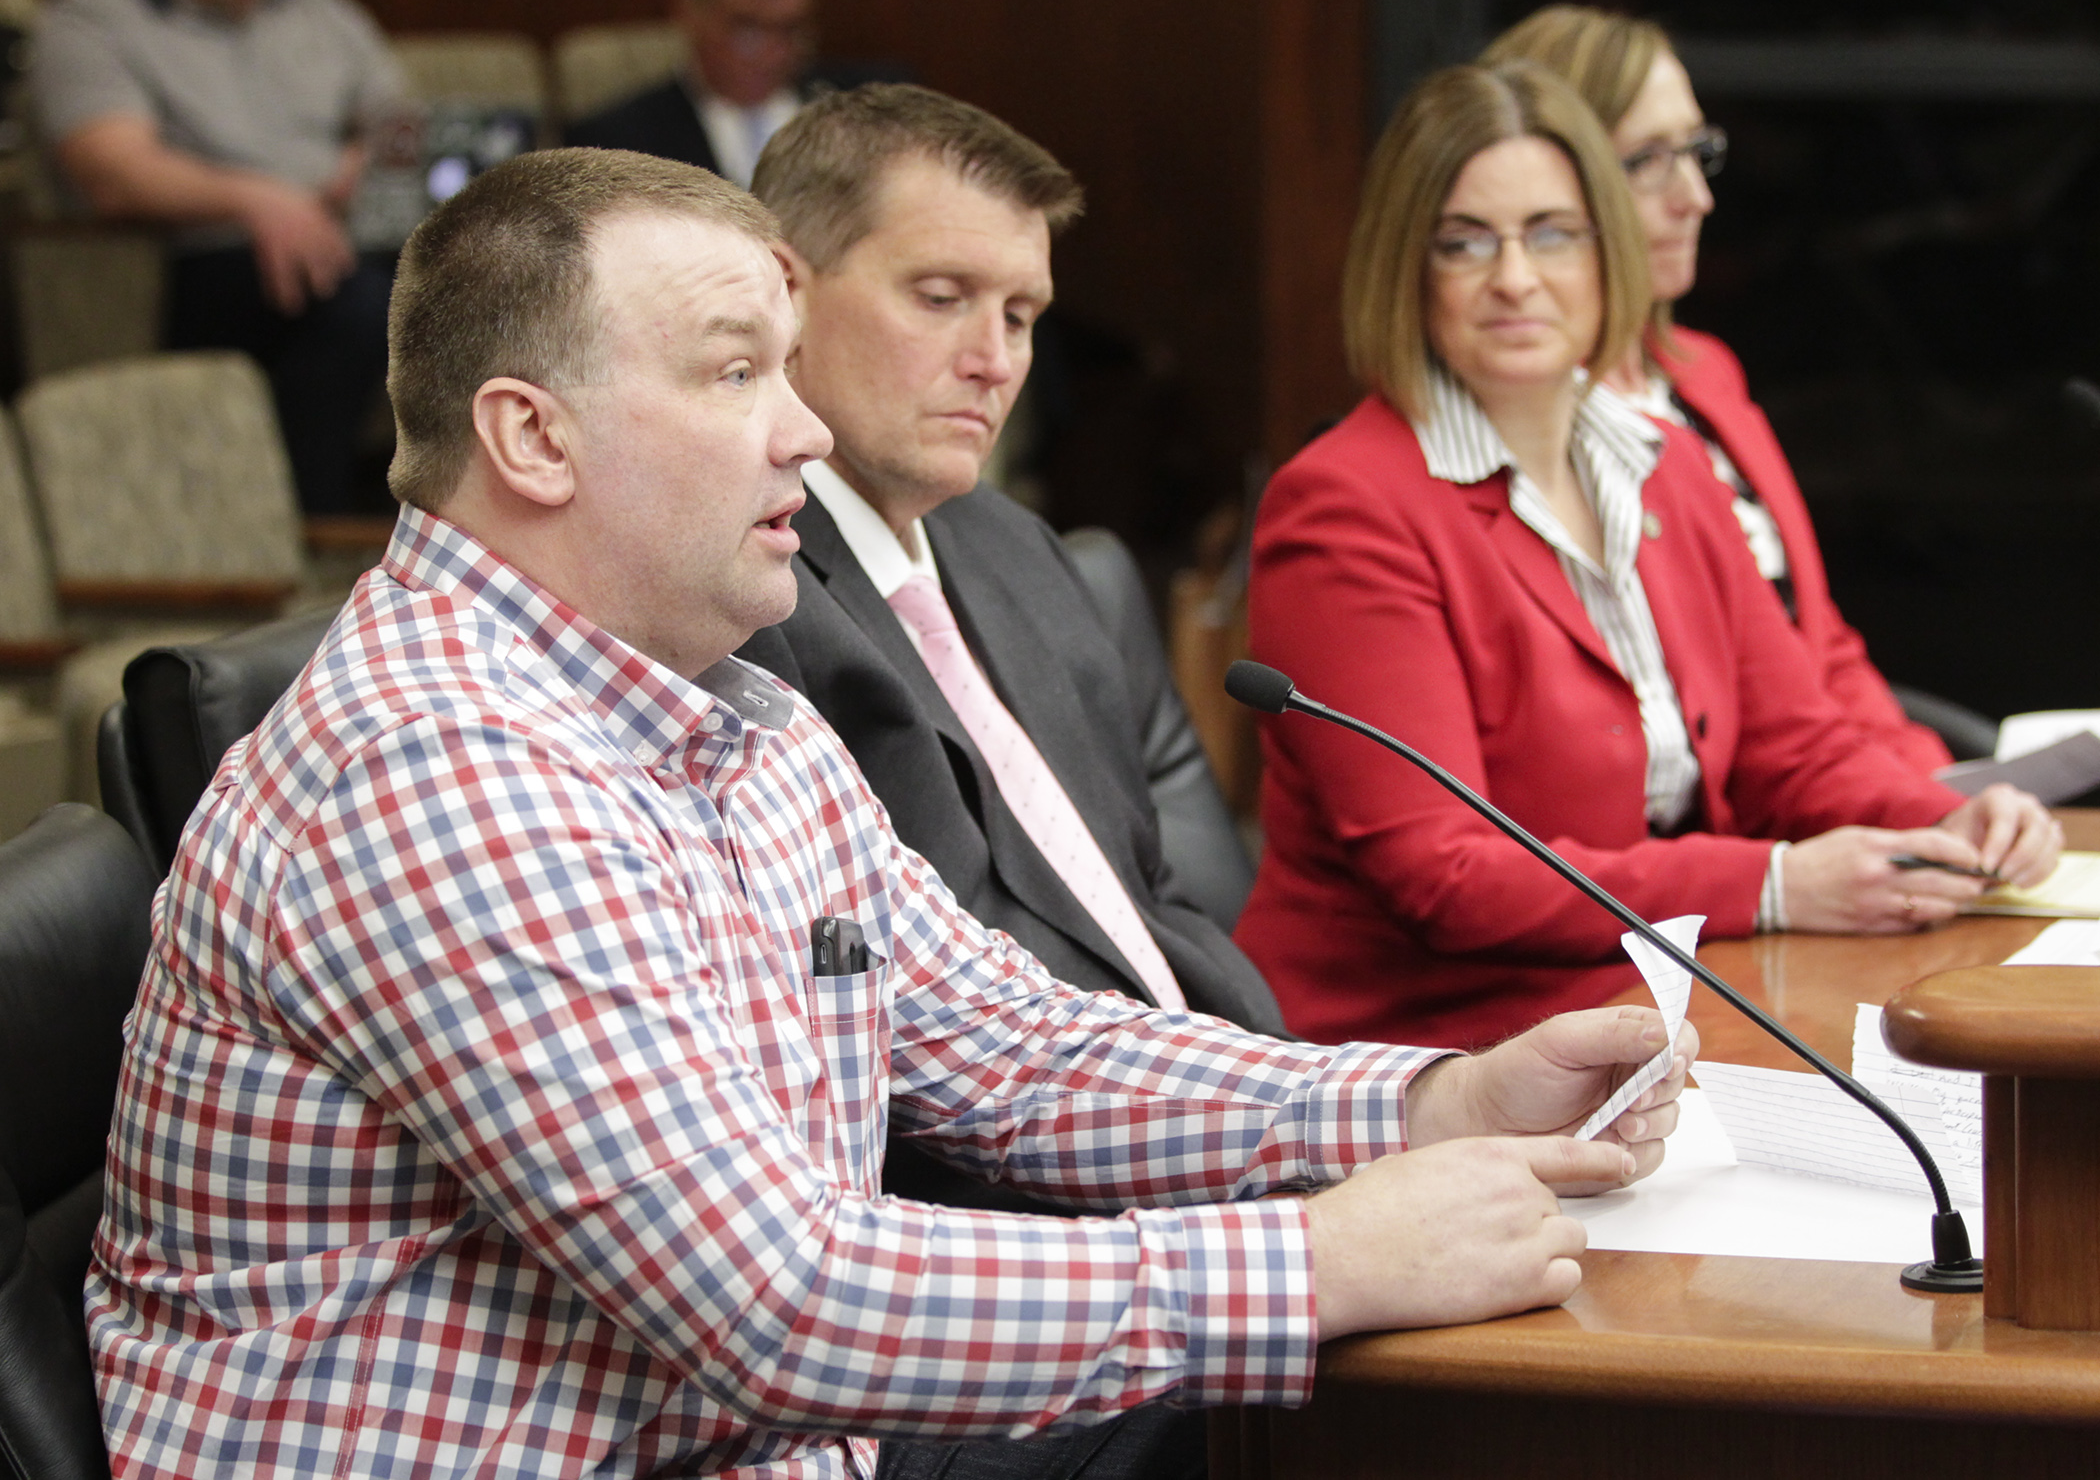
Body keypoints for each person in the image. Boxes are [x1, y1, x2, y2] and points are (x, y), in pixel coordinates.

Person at [88, 145, 1697, 1480]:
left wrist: (1427, 1106)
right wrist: (1320, 1261)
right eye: (735, 372)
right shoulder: (435, 772)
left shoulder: (732, 705)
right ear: (531, 435)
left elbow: (1013, 1048)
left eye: (788, 370)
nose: (801, 428)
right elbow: (779, 1297)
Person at [1236, 62, 2060, 1052]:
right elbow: (1448, 874)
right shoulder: (1346, 507)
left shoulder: (1661, 461)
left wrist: (1946, 827)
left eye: (1553, 233)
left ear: (1607, 254)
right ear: (1404, 270)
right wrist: (1773, 882)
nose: (1514, 278)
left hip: (1650, 992)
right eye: (1463, 243)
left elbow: (1791, 743)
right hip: (1429, 1046)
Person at [737, 85, 1278, 1053]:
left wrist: (1305, 1090)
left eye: (1022, 316)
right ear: (786, 290)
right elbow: (914, 1023)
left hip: (1221, 1096)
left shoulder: (1016, 548)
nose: (994, 359)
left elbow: (1143, 898)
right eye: (942, 299)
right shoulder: (742, 590)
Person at [1482, 7, 1953, 774]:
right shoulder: (1525, 423)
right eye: (1648, 161)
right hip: (1719, 838)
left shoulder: (1703, 371)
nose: (1695, 197)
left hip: (1825, 800)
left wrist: (1938, 787)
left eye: (1698, 152)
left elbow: (1818, 647)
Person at [32, 0, 404, 515]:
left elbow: (402, 120)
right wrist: (258, 201)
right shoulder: (92, 19)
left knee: (480, 284)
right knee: (359, 305)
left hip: (348, 230)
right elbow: (114, 172)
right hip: (200, 254)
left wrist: (366, 165)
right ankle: (311, 529)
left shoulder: (319, 8)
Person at [566, 0, 831, 189]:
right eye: (747, 30)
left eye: (791, 29)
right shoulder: (615, 141)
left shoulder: (853, 107)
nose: (773, 54)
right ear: (689, 10)